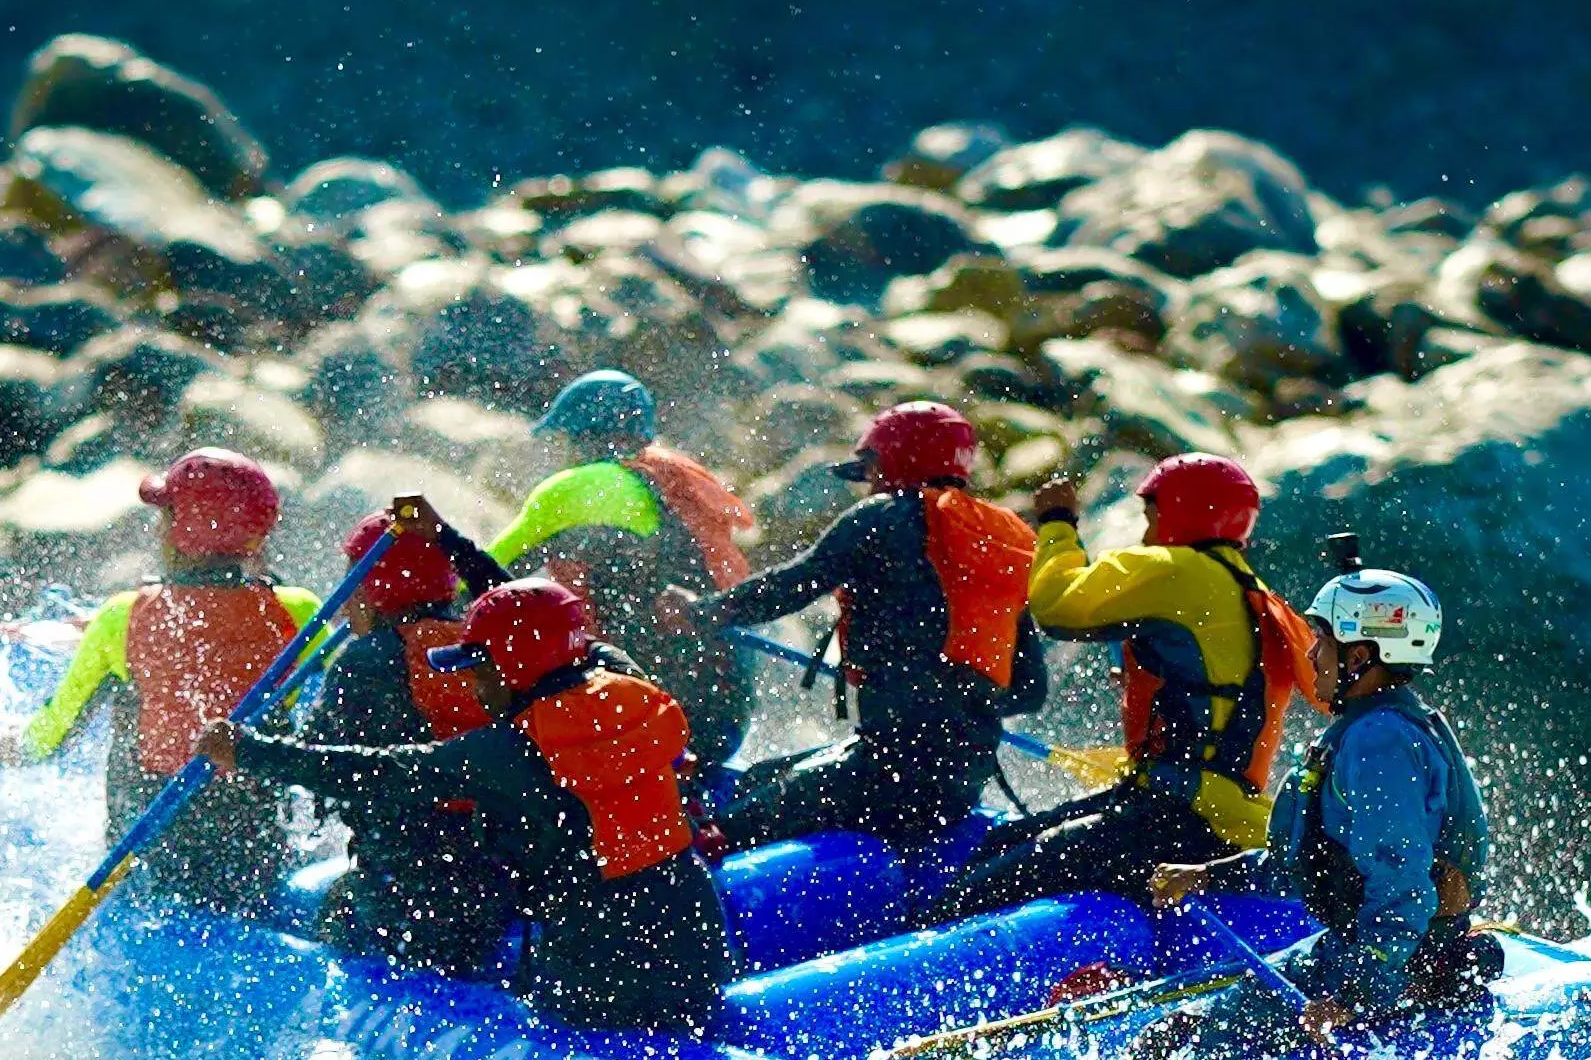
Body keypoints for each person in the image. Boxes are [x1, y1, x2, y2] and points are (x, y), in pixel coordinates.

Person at [196, 577, 736, 1036]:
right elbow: (558, 630)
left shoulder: (511, 751)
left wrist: (248, 751)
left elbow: (376, 773)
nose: (470, 683)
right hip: (696, 930)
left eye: (478, 666)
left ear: (515, 665)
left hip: (603, 957)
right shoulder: (629, 688)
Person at [913, 453, 1318, 927]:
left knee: (980, 890)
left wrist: (1057, 522)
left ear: (1179, 512)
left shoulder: (1176, 568)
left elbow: (1056, 606)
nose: (1146, 532)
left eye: (1151, 516)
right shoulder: (1253, 591)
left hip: (1175, 817)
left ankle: (923, 949)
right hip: (1214, 816)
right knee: (1003, 843)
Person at [1151, 548, 1493, 1052]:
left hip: (1393, 968)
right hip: (1363, 954)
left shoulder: (1380, 742)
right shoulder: (1375, 728)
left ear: (1359, 657)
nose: (1311, 654)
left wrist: (1356, 998)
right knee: (1176, 1033)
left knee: (1170, 1043)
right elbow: (1308, 862)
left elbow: (1402, 885)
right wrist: (1206, 876)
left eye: (1323, 641)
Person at [667, 400, 1047, 852]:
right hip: (963, 782)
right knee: (763, 777)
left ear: (896, 461)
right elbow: (1030, 690)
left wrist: (700, 612)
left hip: (887, 772)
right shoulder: (1000, 543)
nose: (868, 482)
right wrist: (957, 704)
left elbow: (792, 585)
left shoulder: (882, 517)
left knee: (726, 828)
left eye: (871, 468)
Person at [0, 448, 317, 906]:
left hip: (154, 857)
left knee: (128, 699)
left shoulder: (122, 617)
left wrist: (13, 747)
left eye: (164, 516)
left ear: (178, 531)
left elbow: (52, 737)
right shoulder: (300, 612)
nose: (156, 529)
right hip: (257, 850)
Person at [292, 497, 519, 975]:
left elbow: (315, 764)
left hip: (403, 887)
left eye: (351, 582)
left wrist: (248, 751)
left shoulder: (363, 661)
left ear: (372, 590)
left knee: (336, 912)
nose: (343, 598)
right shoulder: (483, 643)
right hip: (496, 879)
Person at [489, 369, 758, 763]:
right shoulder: (679, 482)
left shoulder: (574, 488)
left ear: (580, 436)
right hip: (725, 717)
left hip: (644, 714)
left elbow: (482, 576)